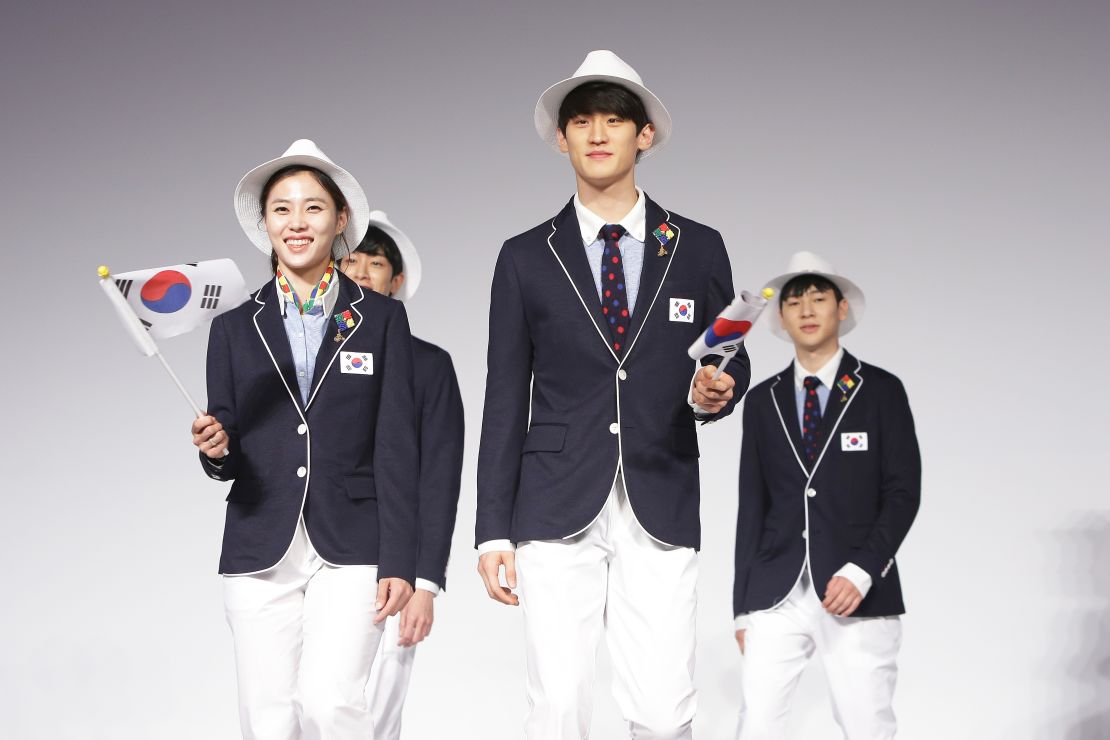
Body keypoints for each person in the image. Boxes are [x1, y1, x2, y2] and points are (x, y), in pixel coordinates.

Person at [475, 50, 750, 739]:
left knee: (663, 709)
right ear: (561, 138)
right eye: (582, 121)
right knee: (559, 704)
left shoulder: (697, 247)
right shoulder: (524, 256)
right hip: (552, 498)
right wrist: (490, 530)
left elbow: (728, 357)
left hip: (660, 488)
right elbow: (504, 395)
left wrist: (717, 391)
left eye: (614, 120)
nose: (598, 134)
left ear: (644, 135)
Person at [190, 139, 419, 740]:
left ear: (341, 220)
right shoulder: (234, 328)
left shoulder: (382, 318)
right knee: (267, 719)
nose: (298, 223)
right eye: (283, 209)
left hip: (353, 541)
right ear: (264, 223)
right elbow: (230, 445)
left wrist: (402, 559)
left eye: (314, 208)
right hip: (259, 539)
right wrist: (216, 449)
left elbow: (397, 443)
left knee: (331, 704)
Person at [732, 251, 921, 739]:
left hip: (856, 588)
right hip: (777, 591)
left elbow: (903, 491)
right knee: (755, 725)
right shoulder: (762, 400)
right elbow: (752, 505)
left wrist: (862, 570)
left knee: (866, 726)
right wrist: (742, 606)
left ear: (842, 308)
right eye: (795, 302)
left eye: (819, 298)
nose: (808, 310)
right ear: (781, 317)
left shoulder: (881, 391)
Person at [339, 212, 465, 740]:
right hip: (315, 554)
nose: (361, 272)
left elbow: (439, 479)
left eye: (375, 263)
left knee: (373, 714)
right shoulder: (302, 357)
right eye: (350, 261)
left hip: (394, 566)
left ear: (397, 282)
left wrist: (425, 583)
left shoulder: (428, 365)